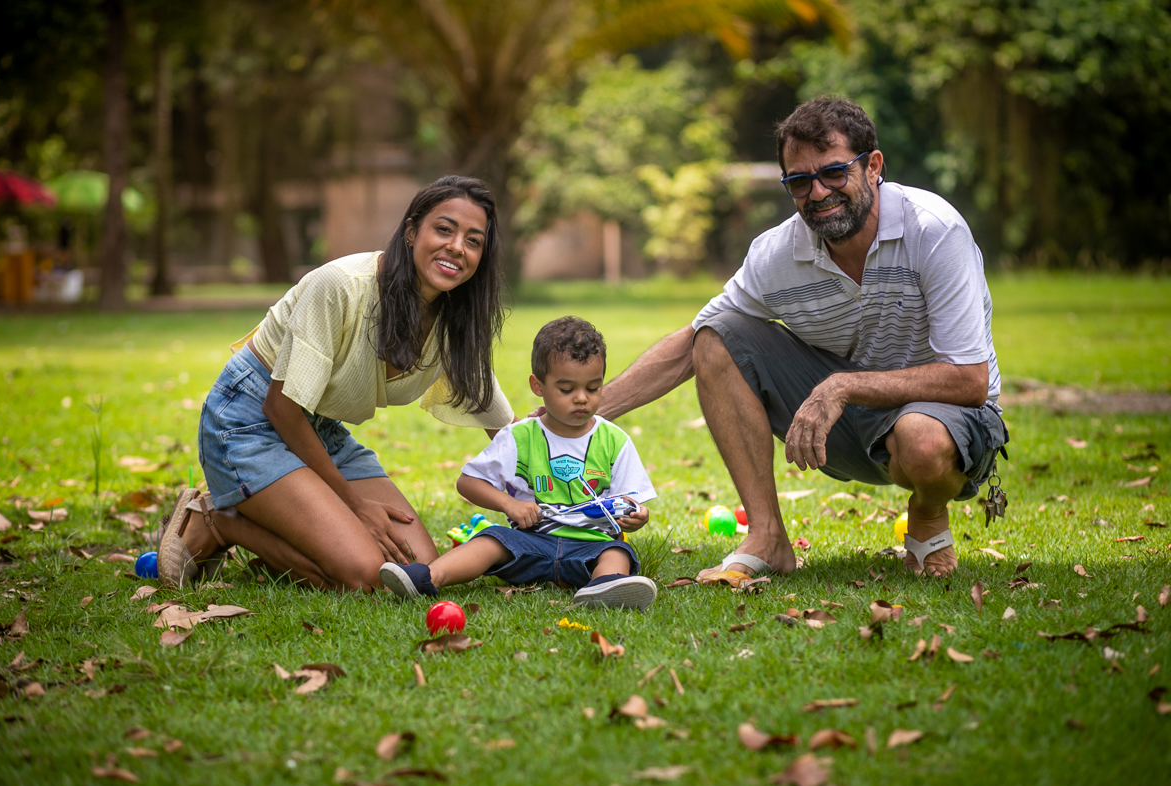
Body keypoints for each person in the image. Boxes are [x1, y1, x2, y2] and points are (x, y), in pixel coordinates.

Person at [597, 96, 1007, 580]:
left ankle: (929, 511)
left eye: (834, 172)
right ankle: (768, 536)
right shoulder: (777, 254)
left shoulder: (934, 229)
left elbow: (969, 380)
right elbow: (690, 344)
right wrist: (579, 414)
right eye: (798, 181)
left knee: (919, 439)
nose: (817, 192)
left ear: (873, 166)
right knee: (714, 336)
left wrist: (841, 387)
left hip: (943, 422)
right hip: (846, 427)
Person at [156, 176, 515, 592]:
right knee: (365, 574)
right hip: (249, 422)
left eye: (474, 240)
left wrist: (553, 498)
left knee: (417, 566)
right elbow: (281, 408)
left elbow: (503, 429)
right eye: (444, 229)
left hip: (318, 429)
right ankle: (220, 523)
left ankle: (287, 528)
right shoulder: (342, 286)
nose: (457, 247)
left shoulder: (456, 318)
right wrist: (356, 506)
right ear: (412, 230)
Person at [379, 317, 659, 610]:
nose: (581, 399)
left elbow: (629, 500)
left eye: (593, 388)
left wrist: (639, 515)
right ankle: (427, 578)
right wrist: (508, 505)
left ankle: (604, 586)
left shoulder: (614, 440)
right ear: (537, 386)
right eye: (566, 389)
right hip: (529, 545)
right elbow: (468, 482)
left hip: (590, 547)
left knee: (618, 551)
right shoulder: (519, 436)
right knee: (491, 538)